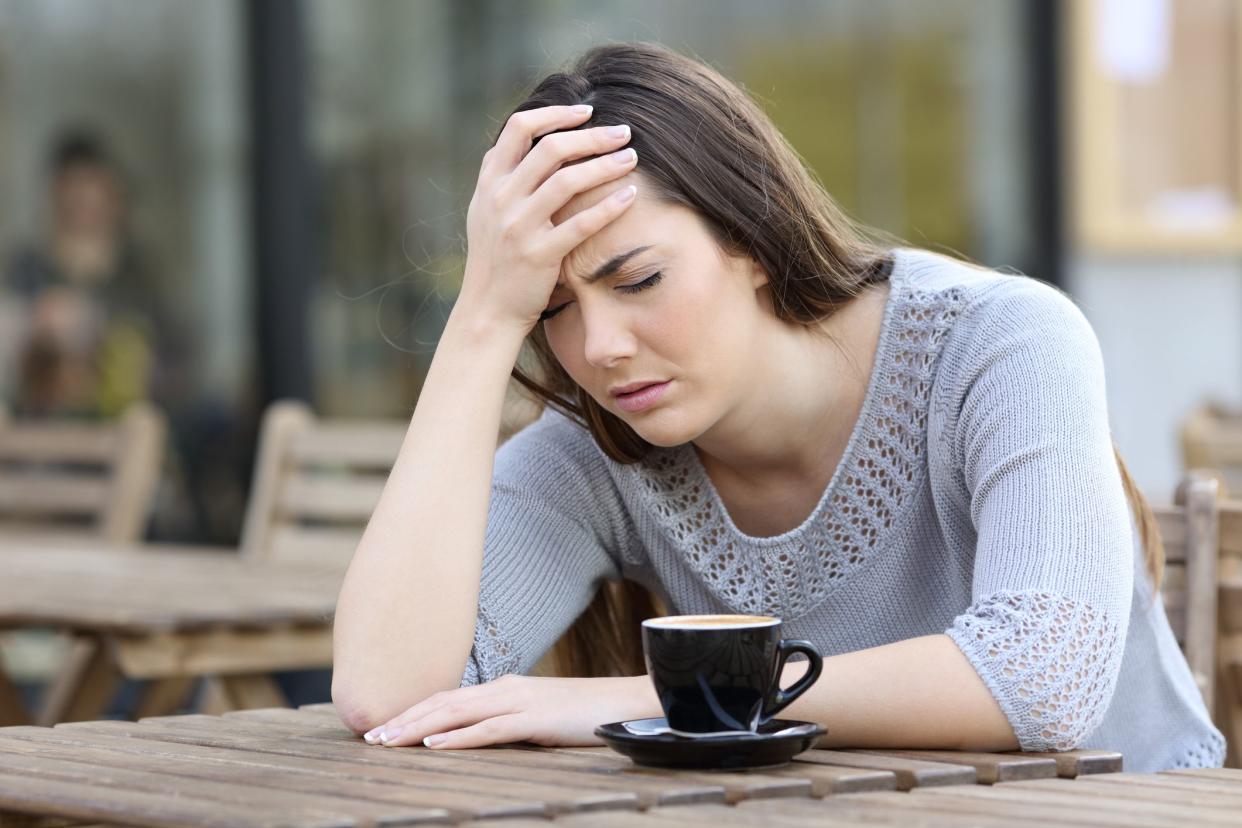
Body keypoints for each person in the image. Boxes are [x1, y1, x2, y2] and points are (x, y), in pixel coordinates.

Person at [330, 43, 1225, 772]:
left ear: (750, 237)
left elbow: (1044, 678)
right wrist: (485, 317)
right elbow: (392, 697)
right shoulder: (603, 448)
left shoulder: (1001, 343)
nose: (599, 347)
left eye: (638, 279)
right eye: (553, 311)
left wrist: (652, 702)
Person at [2, 129, 192, 419]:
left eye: (92, 200)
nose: (84, 213)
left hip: (121, 427)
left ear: (115, 203)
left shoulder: (139, 276)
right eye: (73, 202)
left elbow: (173, 367)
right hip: (43, 436)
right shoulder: (28, 269)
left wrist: (95, 326)